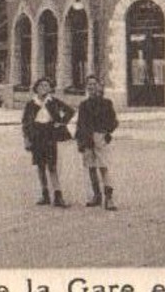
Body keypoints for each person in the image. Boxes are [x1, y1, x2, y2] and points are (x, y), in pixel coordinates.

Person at [21, 78, 75, 207]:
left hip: (50, 134)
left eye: (47, 86)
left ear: (50, 88)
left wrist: (61, 122)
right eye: (41, 85)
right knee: (40, 165)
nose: (44, 88)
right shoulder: (31, 103)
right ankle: (44, 193)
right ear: (36, 88)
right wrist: (26, 139)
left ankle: (57, 195)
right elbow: (25, 123)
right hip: (36, 134)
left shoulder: (53, 101)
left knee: (52, 165)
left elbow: (70, 111)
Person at [75, 75, 118, 210]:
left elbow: (113, 121)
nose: (91, 87)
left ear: (99, 86)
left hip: (100, 137)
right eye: (89, 84)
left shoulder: (106, 103)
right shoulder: (83, 105)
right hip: (87, 138)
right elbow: (80, 124)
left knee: (103, 167)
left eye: (94, 84)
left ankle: (109, 197)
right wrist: (80, 142)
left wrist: (106, 133)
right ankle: (96, 195)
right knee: (91, 167)